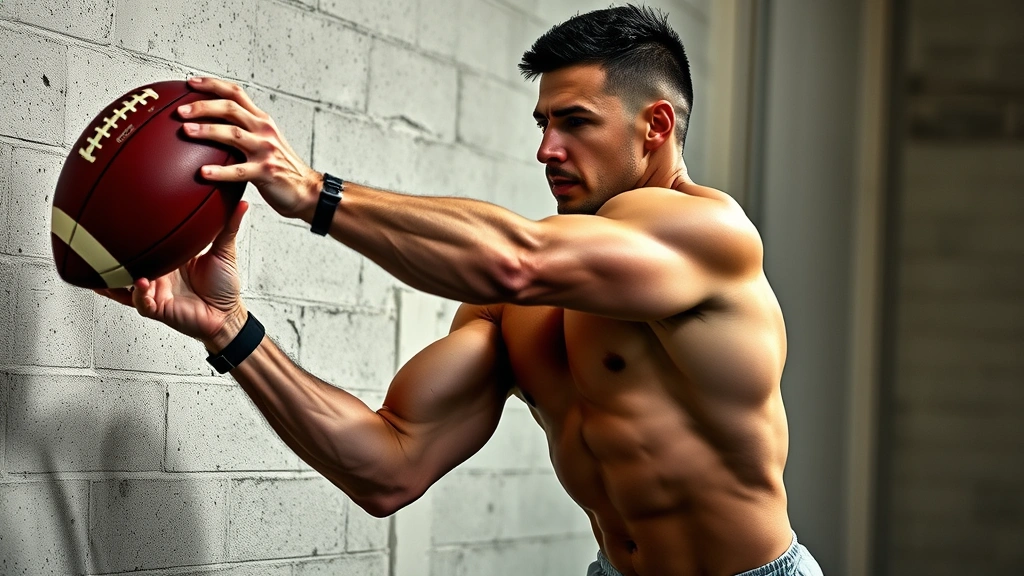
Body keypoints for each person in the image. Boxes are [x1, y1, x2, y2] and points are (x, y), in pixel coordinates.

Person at [96, 5, 823, 576]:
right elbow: (388, 468)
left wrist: (313, 192)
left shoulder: (709, 235)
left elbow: (517, 257)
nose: (546, 150)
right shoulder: (516, 307)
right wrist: (230, 330)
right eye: (542, 124)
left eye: (574, 123)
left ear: (655, 126)